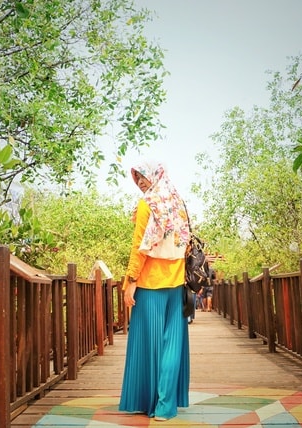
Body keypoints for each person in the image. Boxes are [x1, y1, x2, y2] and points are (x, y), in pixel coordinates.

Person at [118, 161, 190, 422]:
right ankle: (165, 406)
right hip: (177, 283)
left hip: (150, 285)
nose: (140, 182)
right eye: (137, 178)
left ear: (154, 176)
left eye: (143, 177)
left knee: (150, 347)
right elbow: (186, 242)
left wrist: (131, 280)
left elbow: (139, 246)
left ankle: (150, 402)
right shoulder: (178, 203)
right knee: (172, 345)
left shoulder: (147, 204)